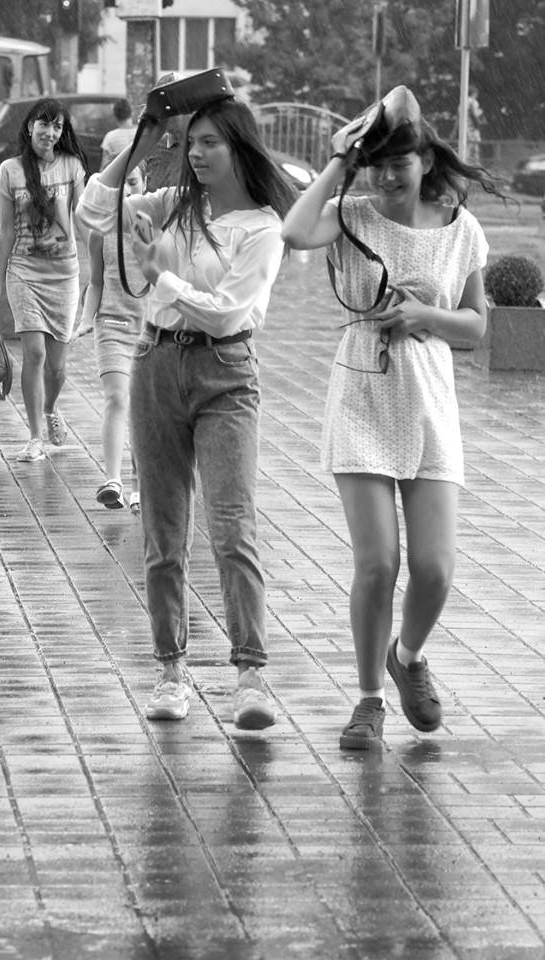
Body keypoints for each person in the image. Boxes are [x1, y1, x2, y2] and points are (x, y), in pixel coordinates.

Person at [281, 86, 505, 750]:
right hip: (361, 395)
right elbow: (293, 232)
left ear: (425, 160)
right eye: (374, 165)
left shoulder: (460, 228)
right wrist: (337, 161)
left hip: (429, 399)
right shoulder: (349, 214)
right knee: (378, 563)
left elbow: (474, 327)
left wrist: (422, 316)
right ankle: (368, 699)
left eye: (398, 163)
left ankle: (406, 657)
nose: (386, 177)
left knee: (434, 569)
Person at [77, 96, 296, 728]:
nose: (195, 154)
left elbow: (228, 313)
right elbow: (93, 211)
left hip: (225, 373)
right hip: (155, 364)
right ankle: (171, 672)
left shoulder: (262, 228)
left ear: (239, 148)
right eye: (190, 142)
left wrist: (162, 278)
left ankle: (250, 677)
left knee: (232, 527)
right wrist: (143, 142)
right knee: (163, 531)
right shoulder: (174, 203)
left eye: (210, 143)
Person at [0, 98, 87, 462]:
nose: (51, 132)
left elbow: (83, 219)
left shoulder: (72, 166)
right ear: (30, 127)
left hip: (64, 276)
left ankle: (51, 408)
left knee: (57, 367)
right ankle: (35, 436)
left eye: (57, 126)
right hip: (24, 273)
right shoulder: (10, 170)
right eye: (44, 124)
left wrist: (100, 270)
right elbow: (6, 230)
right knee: (35, 353)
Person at [78, 163, 148, 511]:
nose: (127, 191)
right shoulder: (100, 233)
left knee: (144, 408)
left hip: (150, 331)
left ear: (146, 184)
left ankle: (140, 486)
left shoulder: (157, 229)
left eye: (133, 182)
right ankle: (113, 481)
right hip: (112, 326)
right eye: (120, 184)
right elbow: (96, 283)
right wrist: (85, 319)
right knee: (117, 398)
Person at [99, 98, 136, 170]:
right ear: (131, 113)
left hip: (118, 175)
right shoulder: (141, 134)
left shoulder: (110, 137)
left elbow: (104, 167)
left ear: (115, 116)